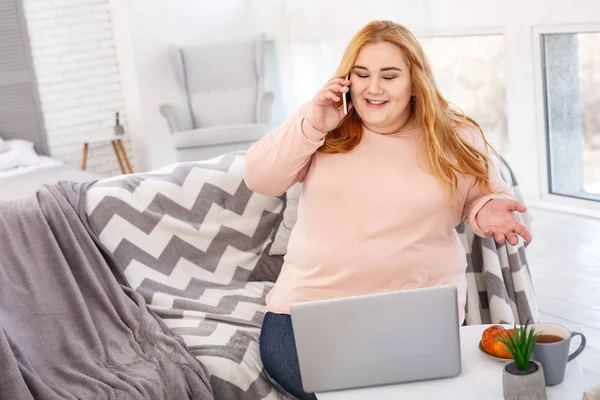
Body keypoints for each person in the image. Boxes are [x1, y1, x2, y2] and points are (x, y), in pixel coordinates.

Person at [244, 20, 532, 400]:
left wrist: (485, 209)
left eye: (389, 76)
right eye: (361, 74)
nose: (372, 87)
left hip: (416, 313)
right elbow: (260, 178)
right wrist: (313, 124)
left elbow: (480, 198)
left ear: (416, 81)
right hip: (305, 313)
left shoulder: (456, 135)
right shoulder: (324, 122)